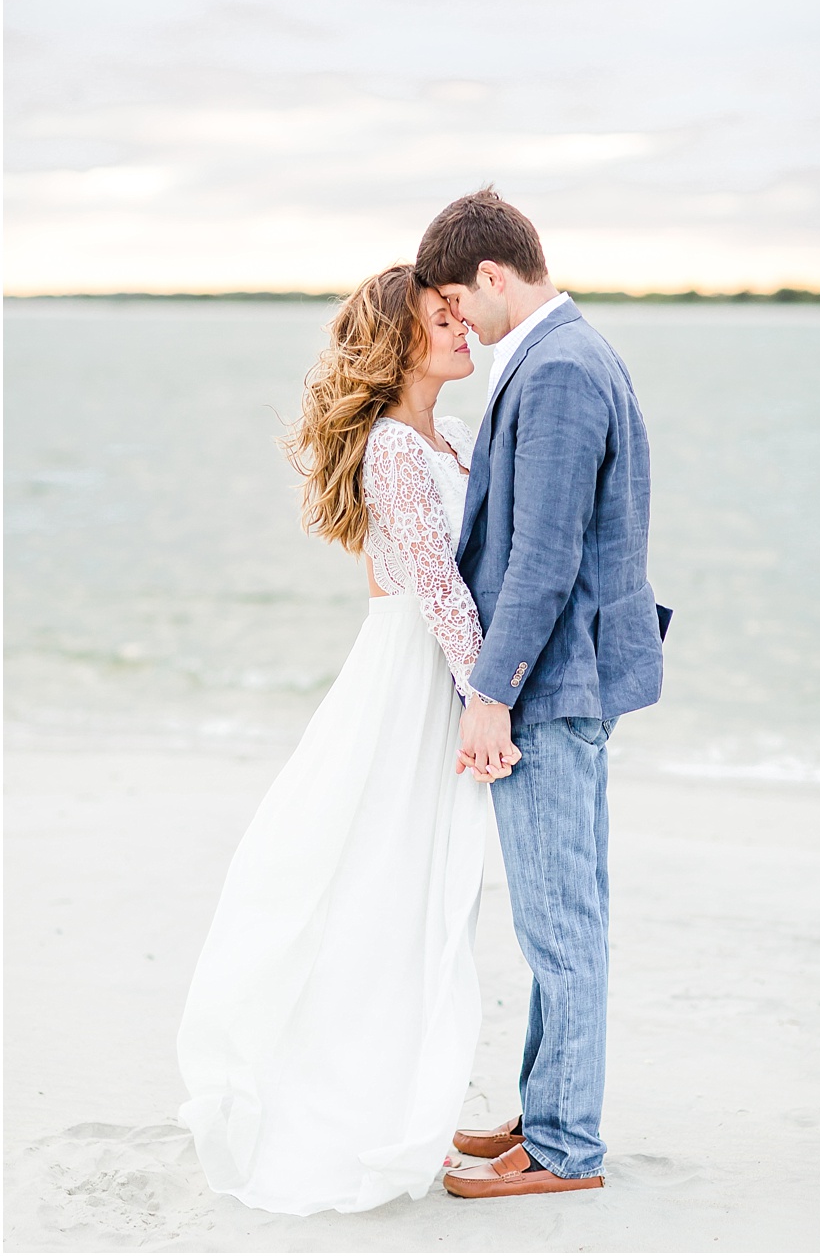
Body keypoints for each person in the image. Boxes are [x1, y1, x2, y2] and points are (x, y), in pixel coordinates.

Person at [178, 266, 507, 1213]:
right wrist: (489, 698)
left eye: (460, 313)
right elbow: (440, 590)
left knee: (407, 887)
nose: (460, 327)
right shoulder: (399, 451)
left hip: (419, 673)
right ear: (397, 343)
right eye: (440, 319)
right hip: (410, 684)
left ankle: (399, 1086)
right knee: (379, 883)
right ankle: (351, 1103)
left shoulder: (441, 436)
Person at [413, 188, 668, 1199]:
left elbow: (544, 558)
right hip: (567, 680)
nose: (459, 324)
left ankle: (564, 1144)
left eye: (455, 301)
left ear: (490, 275)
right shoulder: (566, 355)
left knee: (559, 923)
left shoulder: (559, 369)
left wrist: (491, 691)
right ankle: (548, 1105)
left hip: (552, 687)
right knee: (567, 915)